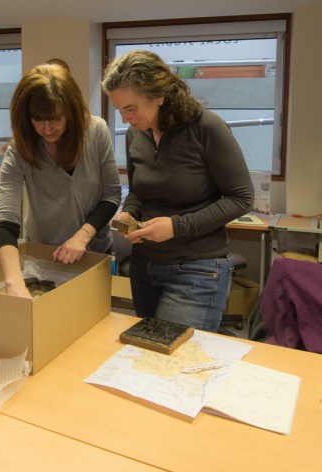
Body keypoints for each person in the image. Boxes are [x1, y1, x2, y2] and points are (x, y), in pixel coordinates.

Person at [102, 50, 253, 332]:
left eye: (131, 108)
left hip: (196, 270)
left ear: (159, 95)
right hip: (144, 267)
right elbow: (139, 191)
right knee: (149, 357)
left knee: (174, 364)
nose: (125, 119)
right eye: (119, 109)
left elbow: (241, 198)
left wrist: (177, 226)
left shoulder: (206, 128)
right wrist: (129, 212)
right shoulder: (137, 133)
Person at [0, 59, 122, 298]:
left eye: (55, 119)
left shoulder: (95, 132)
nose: (47, 128)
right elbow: (5, 221)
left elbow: (111, 195)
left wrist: (82, 236)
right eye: (37, 120)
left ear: (71, 112)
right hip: (42, 256)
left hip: (94, 253)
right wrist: (13, 281)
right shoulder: (19, 150)